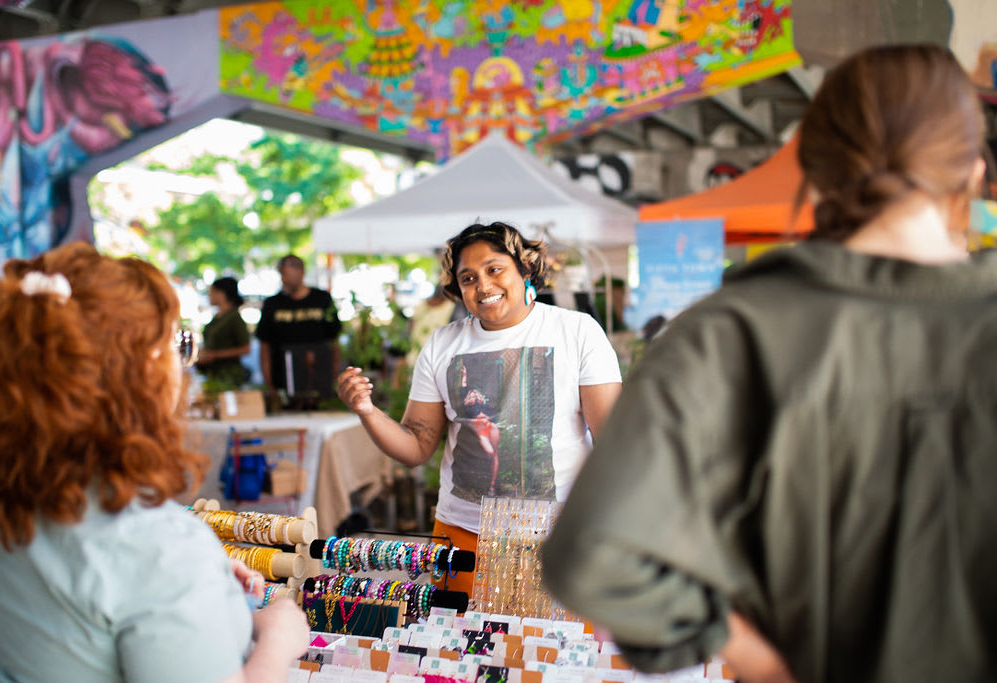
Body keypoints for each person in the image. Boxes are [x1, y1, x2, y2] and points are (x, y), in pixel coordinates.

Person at [542, 44, 997, 683]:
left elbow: (594, 552)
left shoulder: (727, 332)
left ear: (812, 171)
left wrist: (761, 660)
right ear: (973, 176)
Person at [0, 243, 309, 682]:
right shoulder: (158, 551)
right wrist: (279, 639)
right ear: (145, 371)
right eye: (177, 345)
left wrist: (192, 580)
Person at [337, 222, 622, 595]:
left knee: (558, 649)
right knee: (459, 648)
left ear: (524, 270)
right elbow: (416, 446)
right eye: (468, 278)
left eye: (494, 269)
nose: (483, 285)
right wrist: (367, 411)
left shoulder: (577, 331)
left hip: (562, 535)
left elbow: (614, 441)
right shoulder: (443, 344)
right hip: (463, 538)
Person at [256, 254, 342, 409]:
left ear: (300, 271)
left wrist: (334, 377)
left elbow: (334, 341)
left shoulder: (322, 299)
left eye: (286, 274)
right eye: (281, 274)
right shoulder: (272, 304)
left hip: (318, 382)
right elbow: (264, 347)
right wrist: (270, 385)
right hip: (283, 380)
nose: (283, 279)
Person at [196, 276, 251, 388]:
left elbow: (246, 348)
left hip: (228, 376)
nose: (209, 295)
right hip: (213, 373)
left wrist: (215, 355)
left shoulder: (234, 317)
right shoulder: (219, 316)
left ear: (222, 293)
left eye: (212, 291)